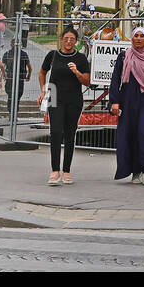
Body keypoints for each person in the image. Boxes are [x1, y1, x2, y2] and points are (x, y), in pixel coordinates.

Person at [110, 27, 144, 184]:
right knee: (130, 135)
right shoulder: (124, 56)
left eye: (142, 36)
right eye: (136, 36)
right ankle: (135, 171)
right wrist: (115, 101)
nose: (139, 39)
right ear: (132, 39)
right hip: (128, 100)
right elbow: (115, 80)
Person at [39, 26, 91, 185]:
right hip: (54, 96)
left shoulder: (81, 58)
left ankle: (66, 171)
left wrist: (77, 72)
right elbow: (42, 72)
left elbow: (87, 81)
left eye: (72, 39)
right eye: (66, 38)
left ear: (76, 41)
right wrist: (43, 90)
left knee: (70, 134)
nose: (69, 42)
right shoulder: (53, 55)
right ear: (61, 39)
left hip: (74, 99)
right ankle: (55, 171)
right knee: (55, 132)